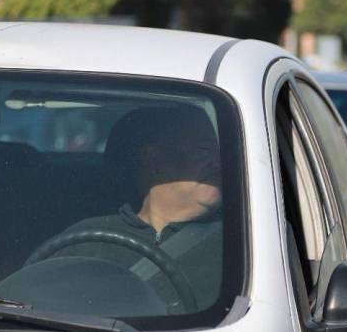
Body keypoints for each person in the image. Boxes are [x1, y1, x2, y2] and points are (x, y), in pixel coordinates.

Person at [51, 106, 224, 312]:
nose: (220, 163)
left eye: (225, 153)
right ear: (152, 158)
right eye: (206, 149)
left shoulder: (242, 247)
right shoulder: (84, 241)